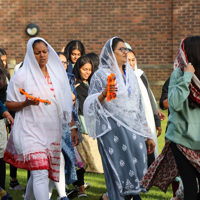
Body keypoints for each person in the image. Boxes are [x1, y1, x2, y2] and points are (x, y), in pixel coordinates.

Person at [3, 37, 78, 200]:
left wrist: (72, 127)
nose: (42, 56)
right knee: (40, 172)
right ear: (30, 54)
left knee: (42, 171)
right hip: (30, 132)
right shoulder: (22, 76)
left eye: (45, 52)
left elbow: (65, 103)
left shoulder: (56, 76)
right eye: (37, 53)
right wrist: (25, 103)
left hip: (52, 133)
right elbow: (9, 103)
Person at [83, 37, 155, 200]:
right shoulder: (101, 75)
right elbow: (90, 104)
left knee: (136, 173)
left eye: (126, 49)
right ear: (110, 53)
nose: (125, 52)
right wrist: (103, 94)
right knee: (118, 174)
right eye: (121, 49)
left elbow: (139, 107)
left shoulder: (132, 76)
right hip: (113, 133)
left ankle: (108, 198)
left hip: (134, 133)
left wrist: (148, 134)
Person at [141, 36, 200, 200]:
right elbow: (173, 103)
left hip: (197, 140)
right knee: (190, 187)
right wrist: (187, 77)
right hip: (182, 140)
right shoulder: (180, 74)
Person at [126, 45, 162, 162]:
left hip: (146, 120)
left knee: (149, 153)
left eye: (133, 60)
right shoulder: (120, 78)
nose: (131, 63)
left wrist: (156, 120)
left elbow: (150, 97)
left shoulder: (140, 75)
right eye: (128, 60)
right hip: (130, 122)